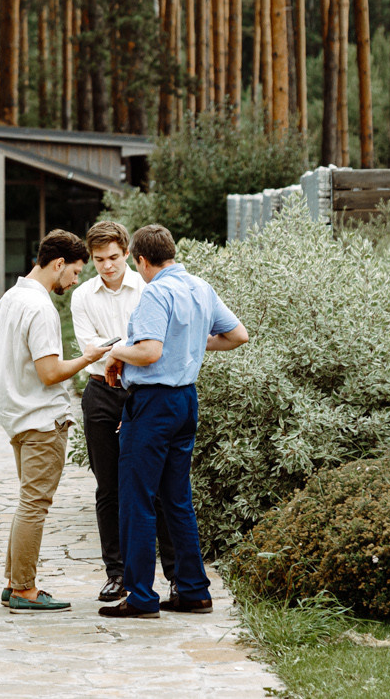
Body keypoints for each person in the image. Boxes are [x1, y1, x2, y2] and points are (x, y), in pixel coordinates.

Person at [97, 223, 250, 620]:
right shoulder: (200, 287)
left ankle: (142, 597)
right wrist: (194, 345)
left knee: (137, 499)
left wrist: (117, 350)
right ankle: (195, 591)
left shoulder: (155, 292)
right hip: (186, 401)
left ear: (141, 260)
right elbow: (238, 336)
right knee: (177, 497)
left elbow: (148, 352)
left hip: (152, 405)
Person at [0, 229, 108, 613]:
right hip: (41, 422)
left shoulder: (9, 298)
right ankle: (24, 589)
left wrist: (15, 390)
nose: (75, 281)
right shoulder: (40, 307)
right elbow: (51, 373)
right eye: (75, 272)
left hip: (17, 419)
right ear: (58, 264)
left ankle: (13, 582)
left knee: (27, 503)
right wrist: (89, 357)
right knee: (35, 505)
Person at [70, 218, 147, 604]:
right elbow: (90, 349)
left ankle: (150, 573)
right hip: (100, 392)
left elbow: (150, 344)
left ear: (127, 253)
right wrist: (125, 348)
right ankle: (115, 573)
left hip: (140, 392)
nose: (108, 266)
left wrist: (114, 348)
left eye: (114, 257)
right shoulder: (83, 296)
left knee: (148, 486)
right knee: (108, 487)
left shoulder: (146, 289)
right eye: (99, 259)